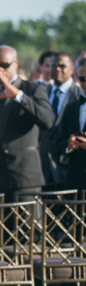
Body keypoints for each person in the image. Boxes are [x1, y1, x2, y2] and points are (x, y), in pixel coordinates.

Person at [0, 46, 54, 201]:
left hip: (25, 176)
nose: (0, 70)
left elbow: (47, 121)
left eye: (5, 65)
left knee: (28, 225)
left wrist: (18, 95)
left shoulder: (32, 90)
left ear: (16, 65)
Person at [39, 52, 81, 189]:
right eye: (53, 65)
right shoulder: (42, 92)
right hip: (43, 169)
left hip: (69, 169)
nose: (57, 69)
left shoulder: (79, 95)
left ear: (72, 69)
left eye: (62, 66)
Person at [57, 58, 86, 196]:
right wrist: (69, 145)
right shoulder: (72, 107)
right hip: (75, 180)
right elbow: (59, 140)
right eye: (83, 79)